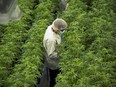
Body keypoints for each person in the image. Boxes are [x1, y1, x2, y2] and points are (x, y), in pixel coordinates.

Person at [41, 18, 67, 87]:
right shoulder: (51, 40)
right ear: (57, 29)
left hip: (56, 54)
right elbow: (51, 54)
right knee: (54, 78)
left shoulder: (51, 27)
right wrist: (62, 54)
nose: (62, 31)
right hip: (53, 63)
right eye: (61, 30)